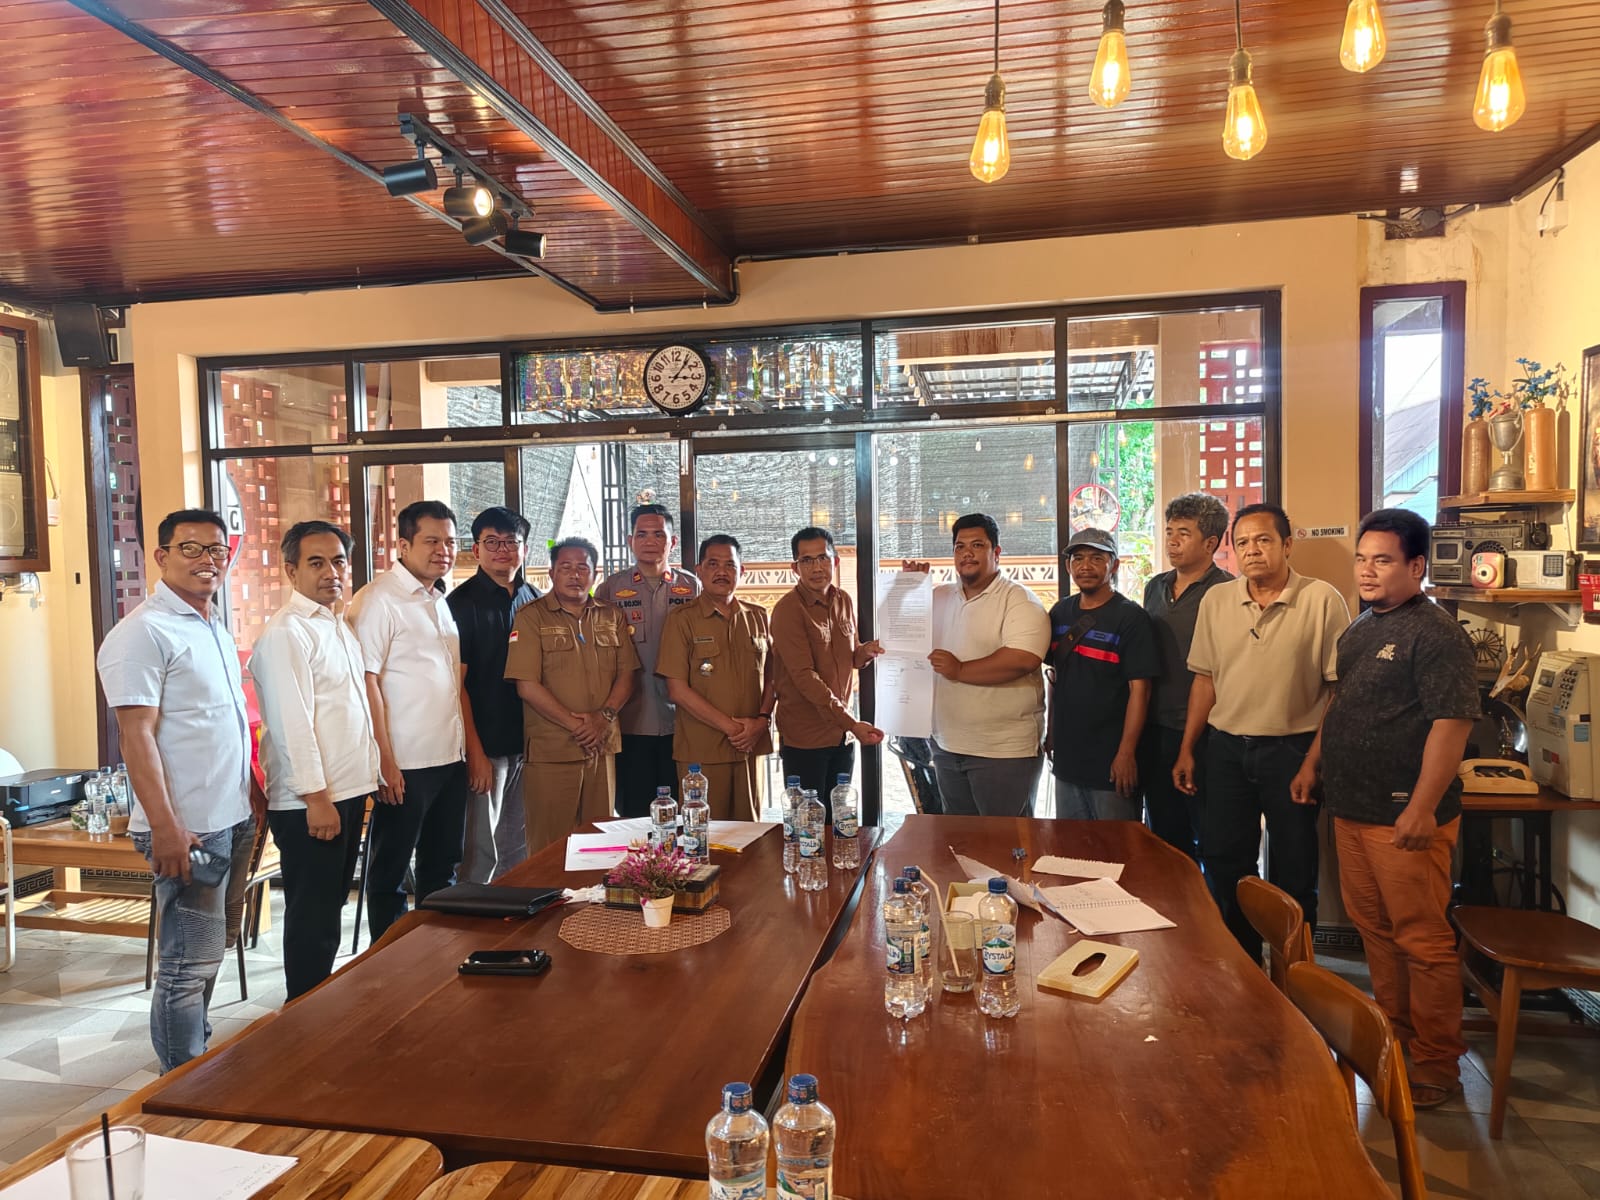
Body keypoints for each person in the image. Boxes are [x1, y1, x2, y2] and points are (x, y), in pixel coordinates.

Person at [1291, 508, 1479, 1109]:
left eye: (1384, 560)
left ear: (1416, 566)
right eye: (1362, 558)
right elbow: (1340, 707)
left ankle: (1436, 1063)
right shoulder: (1362, 626)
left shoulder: (1437, 633)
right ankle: (1393, 1039)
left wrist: (1423, 808)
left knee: (1422, 941)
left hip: (1405, 818)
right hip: (1352, 810)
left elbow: (1452, 725)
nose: (1368, 571)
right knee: (1374, 932)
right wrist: (1312, 763)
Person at [95, 508, 254, 1070]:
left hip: (229, 816)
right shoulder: (141, 633)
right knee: (186, 965)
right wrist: (164, 826)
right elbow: (135, 735)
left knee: (209, 956)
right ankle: (181, 1084)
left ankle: (196, 1058)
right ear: (159, 557)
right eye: (191, 549)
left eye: (217, 549)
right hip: (185, 827)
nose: (208, 560)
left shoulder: (209, 623)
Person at [1176, 503, 1350, 960]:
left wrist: (1314, 761)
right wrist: (1188, 749)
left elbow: (1338, 691)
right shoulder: (1217, 601)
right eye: (1243, 543)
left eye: (1264, 540)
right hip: (1227, 750)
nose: (1252, 551)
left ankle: (1296, 978)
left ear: (1287, 545)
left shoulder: (1322, 599)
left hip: (1292, 752)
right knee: (1224, 860)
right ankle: (1244, 970)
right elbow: (1204, 680)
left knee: (1295, 869)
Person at [250, 520, 377, 1000]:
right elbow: (290, 725)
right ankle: (302, 1017)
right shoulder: (287, 633)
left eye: (339, 561)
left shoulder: (335, 624)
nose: (331, 572)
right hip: (312, 801)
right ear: (290, 570)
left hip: (343, 791)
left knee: (327, 911)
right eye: (316, 562)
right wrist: (317, 799)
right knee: (312, 916)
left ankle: (318, 1010)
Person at [347, 500, 469, 940]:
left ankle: (434, 957)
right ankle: (387, 966)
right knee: (391, 873)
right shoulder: (379, 599)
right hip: (405, 764)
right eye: (432, 540)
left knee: (443, 866)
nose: (444, 550)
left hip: (448, 759)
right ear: (403, 544)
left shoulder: (437, 598)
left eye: (451, 542)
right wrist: (385, 761)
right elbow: (367, 682)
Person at [505, 537, 638, 852]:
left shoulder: (611, 615)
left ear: (595, 575)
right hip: (553, 750)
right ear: (551, 573)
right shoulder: (531, 616)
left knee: (599, 845)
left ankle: (594, 903)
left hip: (601, 747)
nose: (575, 575)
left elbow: (627, 675)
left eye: (583, 568)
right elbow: (527, 685)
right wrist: (578, 725)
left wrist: (602, 718)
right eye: (565, 567)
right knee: (550, 848)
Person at [920, 512, 1051, 817]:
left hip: (1003, 751)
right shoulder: (937, 597)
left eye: (977, 545)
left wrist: (960, 670)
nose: (967, 553)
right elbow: (900, 639)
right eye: (959, 546)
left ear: (996, 552)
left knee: (1006, 847)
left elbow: (1023, 658)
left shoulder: (1019, 600)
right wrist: (908, 587)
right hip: (946, 745)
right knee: (960, 843)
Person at [448, 506, 540, 882]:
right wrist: (476, 753)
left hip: (529, 744)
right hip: (486, 746)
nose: (502, 550)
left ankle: (513, 932)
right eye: (492, 542)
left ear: (525, 549)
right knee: (480, 854)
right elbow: (456, 686)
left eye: (511, 542)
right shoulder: (460, 604)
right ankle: (475, 938)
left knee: (518, 849)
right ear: (476, 549)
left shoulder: (533, 599)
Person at [1140, 493, 1234, 858]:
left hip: (1208, 732)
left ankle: (1212, 912)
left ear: (1211, 543)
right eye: (1168, 532)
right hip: (1155, 726)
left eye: (1183, 533)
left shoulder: (1227, 591)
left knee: (1213, 833)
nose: (1172, 541)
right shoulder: (1155, 587)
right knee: (1164, 835)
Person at [658, 535, 776, 820]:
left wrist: (761, 721)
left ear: (742, 571)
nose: (721, 572)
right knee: (705, 838)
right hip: (702, 752)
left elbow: (773, 677)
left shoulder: (758, 616)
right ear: (699, 570)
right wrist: (732, 729)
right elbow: (677, 689)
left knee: (751, 835)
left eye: (730, 565)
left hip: (750, 748)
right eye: (713, 564)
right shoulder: (681, 619)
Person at [594, 503, 701, 817]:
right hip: (631, 721)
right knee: (635, 814)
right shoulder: (611, 589)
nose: (650, 540)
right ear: (630, 541)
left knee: (683, 812)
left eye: (658, 533)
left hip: (682, 722)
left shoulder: (691, 587)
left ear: (672, 541)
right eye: (641, 534)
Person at [770, 526, 884, 817]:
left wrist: (866, 652)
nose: (816, 567)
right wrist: (852, 723)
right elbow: (804, 677)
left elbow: (850, 656)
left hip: (841, 736)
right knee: (808, 825)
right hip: (806, 738)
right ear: (795, 567)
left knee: (840, 819)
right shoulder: (787, 611)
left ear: (834, 561)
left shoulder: (842, 600)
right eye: (806, 560)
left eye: (822, 558)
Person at [1046, 528, 1159, 821]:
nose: (1086, 566)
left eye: (1097, 558)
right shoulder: (1059, 613)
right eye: (1078, 558)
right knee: (1070, 849)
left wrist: (1126, 753)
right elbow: (1055, 677)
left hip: (1112, 759)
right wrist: (1051, 731)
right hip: (1069, 758)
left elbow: (1141, 690)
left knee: (1118, 850)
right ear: (1068, 565)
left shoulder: (1131, 617)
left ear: (1114, 565)